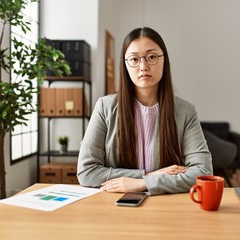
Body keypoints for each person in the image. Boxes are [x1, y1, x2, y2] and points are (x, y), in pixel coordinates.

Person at [77, 27, 212, 195]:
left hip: (167, 206)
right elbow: (86, 172)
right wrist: (147, 175)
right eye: (134, 59)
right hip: (115, 207)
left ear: (164, 60)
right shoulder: (105, 107)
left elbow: (203, 173)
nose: (143, 66)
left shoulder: (185, 111)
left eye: (152, 57)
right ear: (125, 64)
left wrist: (142, 184)